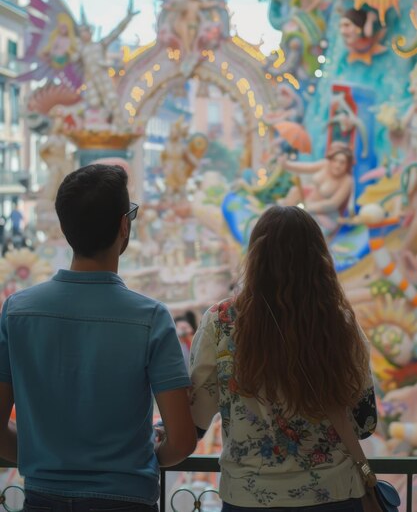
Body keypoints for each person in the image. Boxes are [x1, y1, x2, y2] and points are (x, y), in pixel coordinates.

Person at [0, 164, 196, 512]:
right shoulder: (151, 319)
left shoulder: (17, 312)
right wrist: (145, 460)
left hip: (42, 499)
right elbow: (180, 441)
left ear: (65, 227)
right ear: (124, 225)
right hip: (128, 499)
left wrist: (46, 460)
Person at [190, 205, 376, 511]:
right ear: (318, 258)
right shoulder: (339, 323)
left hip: (248, 496)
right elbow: (365, 421)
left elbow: (198, 417)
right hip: (333, 495)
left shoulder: (221, 321)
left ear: (255, 257)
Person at [279, 142, 354, 236]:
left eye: (342, 162)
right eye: (335, 160)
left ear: (347, 165)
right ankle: (283, 222)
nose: (337, 165)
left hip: (324, 214)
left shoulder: (347, 180)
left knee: (307, 230)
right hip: (306, 204)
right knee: (295, 191)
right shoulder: (325, 164)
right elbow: (305, 167)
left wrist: (308, 207)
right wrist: (287, 164)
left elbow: (333, 204)